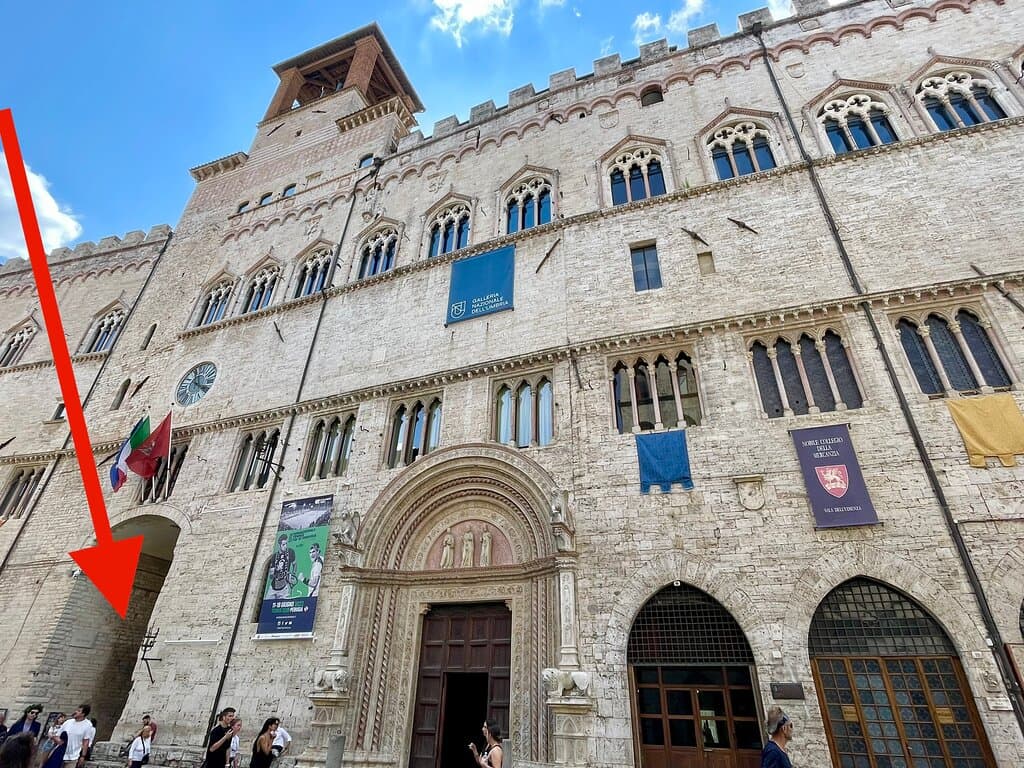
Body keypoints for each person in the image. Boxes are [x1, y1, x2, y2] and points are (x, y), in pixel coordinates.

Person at [268, 535, 297, 599]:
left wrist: (293, 574)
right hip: (273, 588)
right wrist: (277, 569)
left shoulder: (291, 552)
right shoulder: (274, 556)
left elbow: (294, 564)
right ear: (279, 545)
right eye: (283, 544)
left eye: (286, 544)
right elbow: (271, 576)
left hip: (284, 589)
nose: (285, 546)